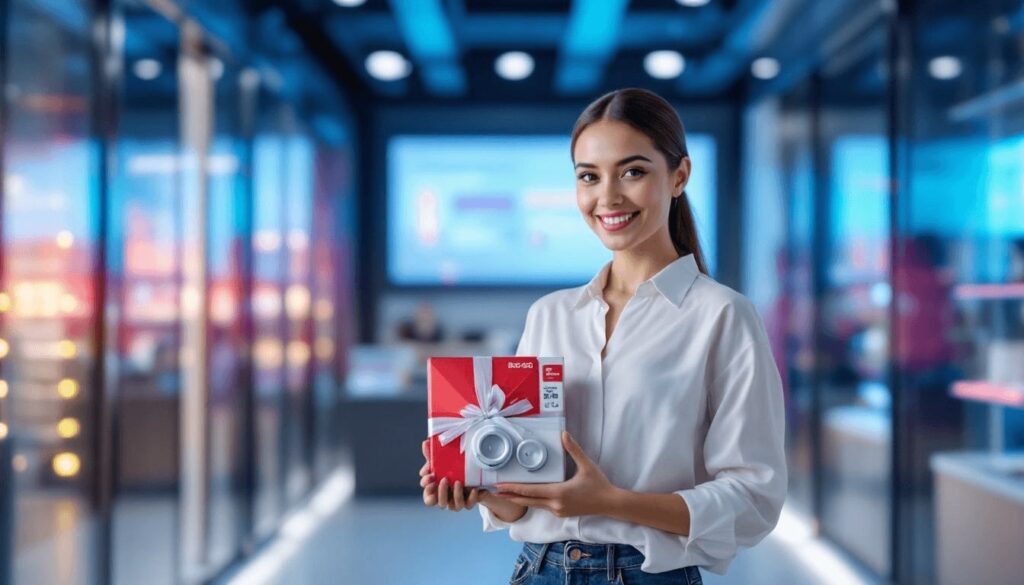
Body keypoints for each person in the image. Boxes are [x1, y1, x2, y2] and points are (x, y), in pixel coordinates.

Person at [419, 88, 787, 584]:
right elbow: (527, 504)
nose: (607, 197)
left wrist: (613, 504)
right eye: (589, 177)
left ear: (679, 176)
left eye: (632, 172)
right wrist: (485, 491)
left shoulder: (723, 315)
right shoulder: (550, 315)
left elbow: (754, 498)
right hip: (538, 570)